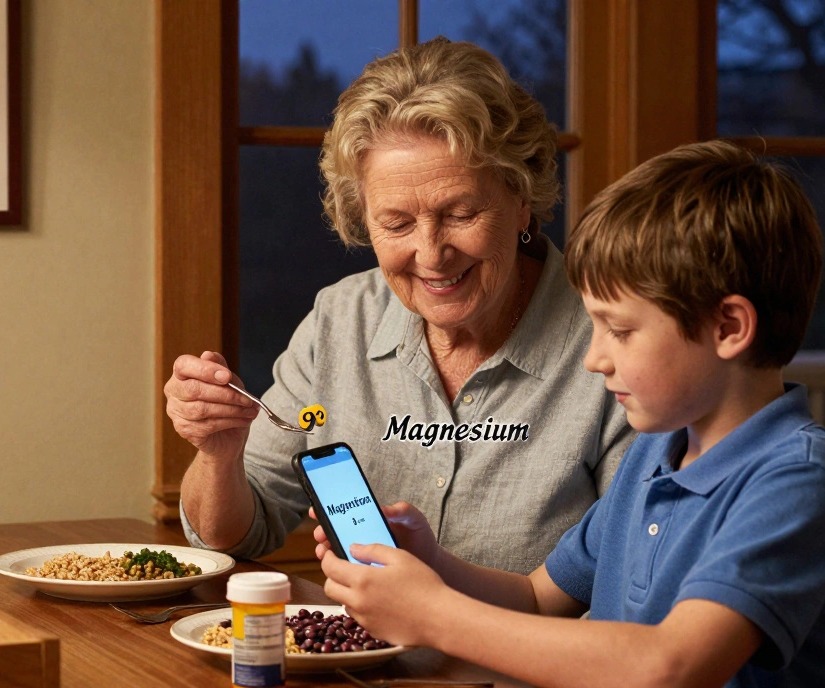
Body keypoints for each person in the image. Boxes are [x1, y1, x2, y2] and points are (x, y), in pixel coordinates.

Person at [316, 140, 825, 688]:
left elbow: (669, 671)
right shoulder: (657, 452)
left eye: (620, 331)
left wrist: (433, 615)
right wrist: (433, 566)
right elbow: (536, 597)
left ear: (728, 326)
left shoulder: (798, 482)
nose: (594, 358)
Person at [165, 37, 633, 574]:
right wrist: (218, 455)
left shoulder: (613, 335)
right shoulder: (340, 320)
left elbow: (633, 583)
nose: (431, 254)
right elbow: (233, 535)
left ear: (522, 198)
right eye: (397, 223)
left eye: (460, 213)